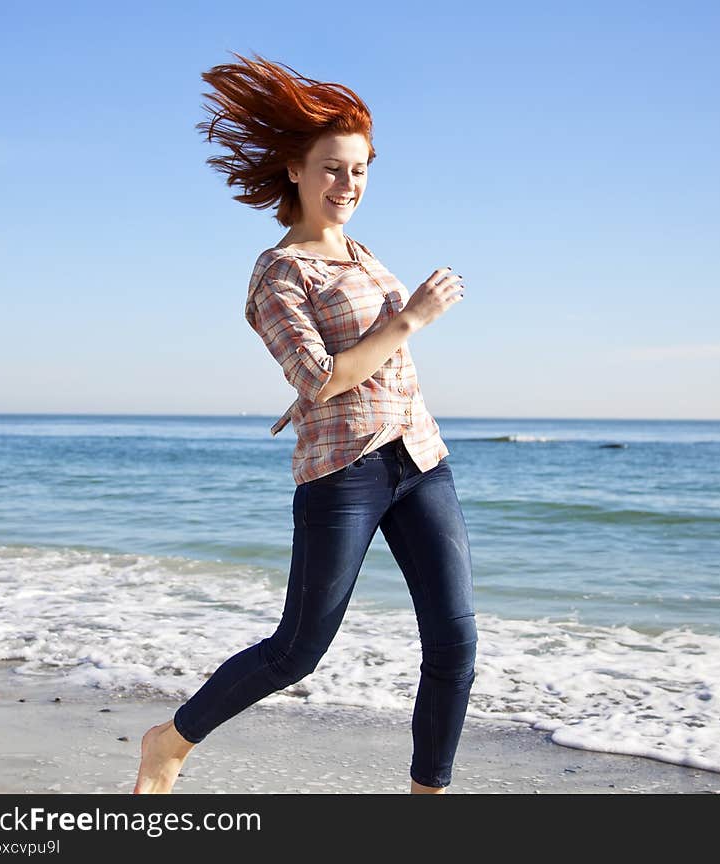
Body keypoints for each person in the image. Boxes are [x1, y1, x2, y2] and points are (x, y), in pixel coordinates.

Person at [133, 52, 476, 795]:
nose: (348, 185)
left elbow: (350, 364)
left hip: (419, 457)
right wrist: (411, 317)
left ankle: (428, 800)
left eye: (359, 170)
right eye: (332, 168)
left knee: (455, 641)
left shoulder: (360, 252)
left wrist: (333, 382)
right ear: (295, 169)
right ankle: (168, 741)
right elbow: (323, 372)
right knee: (298, 651)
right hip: (343, 475)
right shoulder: (279, 274)